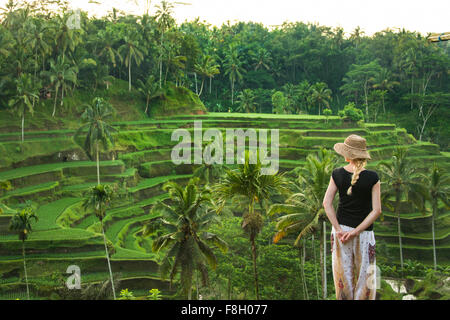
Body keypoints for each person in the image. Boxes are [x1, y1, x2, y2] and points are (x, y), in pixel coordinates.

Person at [322, 134, 382, 300]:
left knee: (342, 277)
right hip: (364, 233)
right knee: (366, 278)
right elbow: (377, 210)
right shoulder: (373, 177)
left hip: (341, 232)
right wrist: (356, 231)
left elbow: (327, 204)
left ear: (348, 155)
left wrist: (338, 229)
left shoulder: (337, 174)